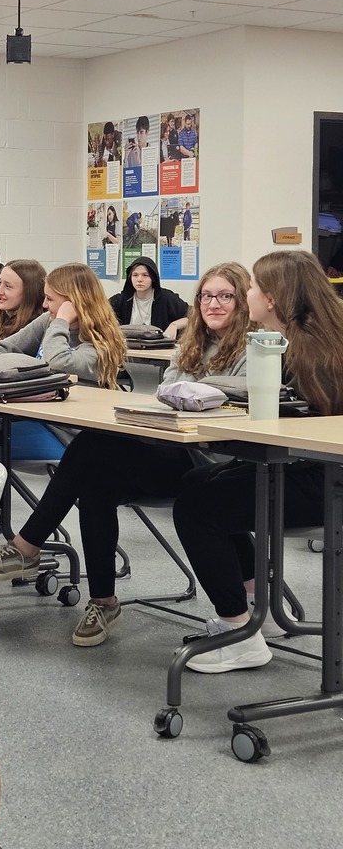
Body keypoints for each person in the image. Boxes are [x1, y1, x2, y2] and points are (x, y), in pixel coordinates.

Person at [0, 263, 254, 649]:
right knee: (95, 478)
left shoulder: (256, 346)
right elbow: (169, 386)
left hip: (213, 465)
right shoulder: (194, 341)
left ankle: (29, 547)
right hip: (174, 447)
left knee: (92, 448)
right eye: (206, 296)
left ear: (242, 301)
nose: (213, 304)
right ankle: (101, 601)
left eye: (224, 296)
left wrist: (200, 387)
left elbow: (248, 388)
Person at [173, 251, 341, 674]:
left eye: (251, 288)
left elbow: (309, 435)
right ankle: (255, 615)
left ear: (274, 297)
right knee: (198, 482)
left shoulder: (312, 353)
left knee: (197, 507)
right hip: (307, 468)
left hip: (323, 479)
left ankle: (239, 633)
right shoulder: (295, 342)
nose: (247, 294)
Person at [109, 256, 189, 339]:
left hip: (160, 349)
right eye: (135, 275)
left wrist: (174, 325)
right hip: (128, 348)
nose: (139, 279)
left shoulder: (167, 298)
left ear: (153, 278)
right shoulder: (120, 300)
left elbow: (193, 316)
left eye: (145, 275)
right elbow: (99, 315)